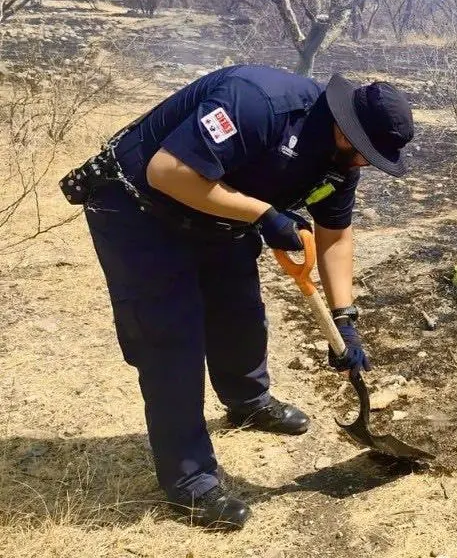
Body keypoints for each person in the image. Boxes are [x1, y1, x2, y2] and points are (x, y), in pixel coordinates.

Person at [59, 64, 414, 531]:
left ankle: (248, 400)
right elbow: (168, 172)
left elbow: (335, 237)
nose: (365, 164)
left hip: (219, 217)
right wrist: (264, 215)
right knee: (171, 341)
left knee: (240, 313)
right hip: (140, 210)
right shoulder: (257, 102)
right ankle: (190, 480)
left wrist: (344, 319)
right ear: (347, 129)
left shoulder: (341, 161)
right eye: (367, 153)